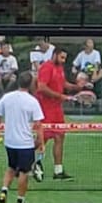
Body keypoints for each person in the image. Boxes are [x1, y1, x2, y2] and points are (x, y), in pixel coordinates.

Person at [0, 71, 44, 203]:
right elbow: (38, 124)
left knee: (11, 168)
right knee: (24, 172)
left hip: (10, 142)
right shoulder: (32, 101)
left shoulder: (7, 97)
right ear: (30, 84)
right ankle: (20, 202)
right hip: (25, 144)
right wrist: (41, 142)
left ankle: (4, 192)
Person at [35, 47, 74, 180]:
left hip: (57, 109)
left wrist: (77, 87)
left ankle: (58, 171)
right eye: (62, 57)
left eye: (65, 58)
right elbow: (41, 87)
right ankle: (23, 164)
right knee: (41, 139)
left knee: (60, 137)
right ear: (55, 55)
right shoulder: (46, 67)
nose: (63, 61)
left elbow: (64, 83)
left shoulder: (60, 68)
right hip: (45, 109)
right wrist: (60, 96)